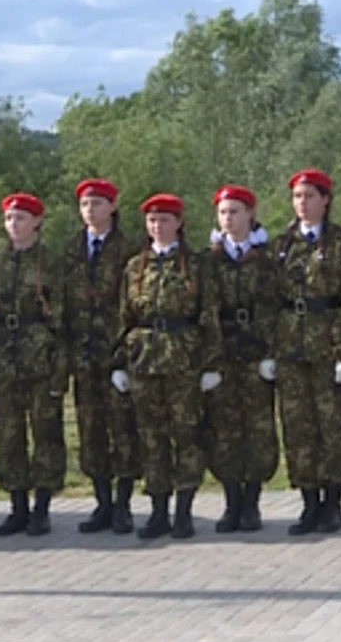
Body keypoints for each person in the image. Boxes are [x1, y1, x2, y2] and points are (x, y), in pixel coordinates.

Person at [113, 194, 222, 540]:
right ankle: (158, 509)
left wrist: (210, 364)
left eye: (164, 220)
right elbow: (125, 316)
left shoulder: (197, 265)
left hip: (183, 359)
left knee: (186, 434)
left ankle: (184, 510)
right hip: (145, 359)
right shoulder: (136, 266)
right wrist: (119, 362)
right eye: (151, 221)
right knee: (151, 435)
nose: (157, 226)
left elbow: (209, 316)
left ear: (178, 223)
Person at [270, 169, 341, 534]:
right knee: (297, 426)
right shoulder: (283, 244)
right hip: (291, 345)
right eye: (297, 197)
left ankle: (333, 502)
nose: (302, 203)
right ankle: (308, 502)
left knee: (332, 426)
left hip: (328, 345)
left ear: (325, 200)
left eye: (309, 196)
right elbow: (271, 298)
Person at [0, 192, 67, 537]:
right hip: (5, 358)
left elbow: (63, 323)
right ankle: (17, 506)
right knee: (9, 435)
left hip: (40, 359)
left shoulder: (51, 263)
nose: (13, 225)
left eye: (20, 218)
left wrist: (60, 371)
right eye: (8, 218)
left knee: (45, 433)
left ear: (36, 222)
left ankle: (42, 507)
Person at [62, 178, 141, 534]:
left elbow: (134, 306)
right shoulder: (71, 250)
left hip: (115, 352)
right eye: (84, 204)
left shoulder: (130, 249)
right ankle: (102, 503)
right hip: (83, 353)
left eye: (96, 203)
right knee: (90, 429)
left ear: (112, 206)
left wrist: (125, 354)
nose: (89, 210)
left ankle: (123, 503)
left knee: (122, 429)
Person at [206, 185, 279, 532]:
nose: (228, 218)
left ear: (250, 213)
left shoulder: (268, 257)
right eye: (222, 212)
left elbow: (275, 306)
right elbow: (203, 310)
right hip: (222, 355)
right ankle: (230, 501)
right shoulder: (209, 259)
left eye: (235, 211)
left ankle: (252, 502)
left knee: (258, 429)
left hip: (256, 355)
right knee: (224, 430)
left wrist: (270, 352)